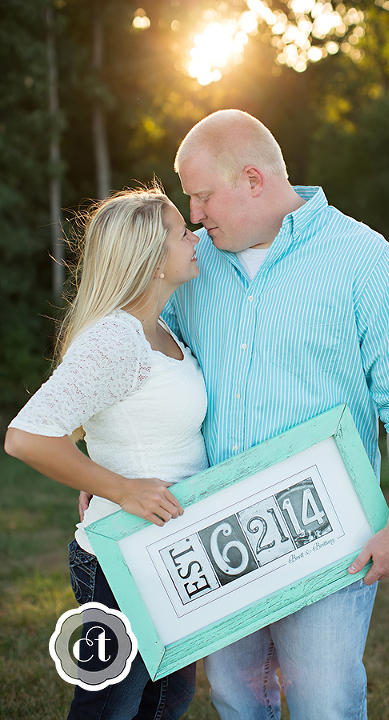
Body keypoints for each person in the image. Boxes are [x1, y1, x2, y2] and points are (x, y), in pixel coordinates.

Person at [161, 109, 389, 720]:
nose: (194, 215)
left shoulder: (365, 259)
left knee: (324, 702)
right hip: (218, 537)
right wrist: (109, 469)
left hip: (330, 536)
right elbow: (150, 366)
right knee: (236, 698)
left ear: (252, 180)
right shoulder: (190, 266)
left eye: (202, 196)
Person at [4, 187, 207, 720]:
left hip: (169, 554)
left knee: (167, 699)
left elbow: (109, 420)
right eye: (181, 233)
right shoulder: (117, 337)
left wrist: (95, 474)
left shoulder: (159, 329)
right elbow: (26, 436)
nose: (195, 238)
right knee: (107, 706)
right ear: (151, 257)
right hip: (121, 561)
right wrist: (120, 489)